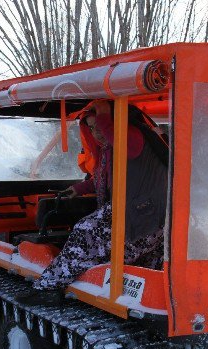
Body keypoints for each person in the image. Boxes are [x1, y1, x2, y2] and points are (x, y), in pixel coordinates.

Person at [32, 100, 168, 294]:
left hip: (146, 215)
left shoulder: (134, 136)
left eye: (100, 125)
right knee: (104, 242)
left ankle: (47, 289)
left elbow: (123, 145)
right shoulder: (112, 148)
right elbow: (108, 177)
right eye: (91, 128)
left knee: (84, 232)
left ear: (116, 119)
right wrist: (79, 188)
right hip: (143, 211)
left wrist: (104, 115)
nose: (96, 132)